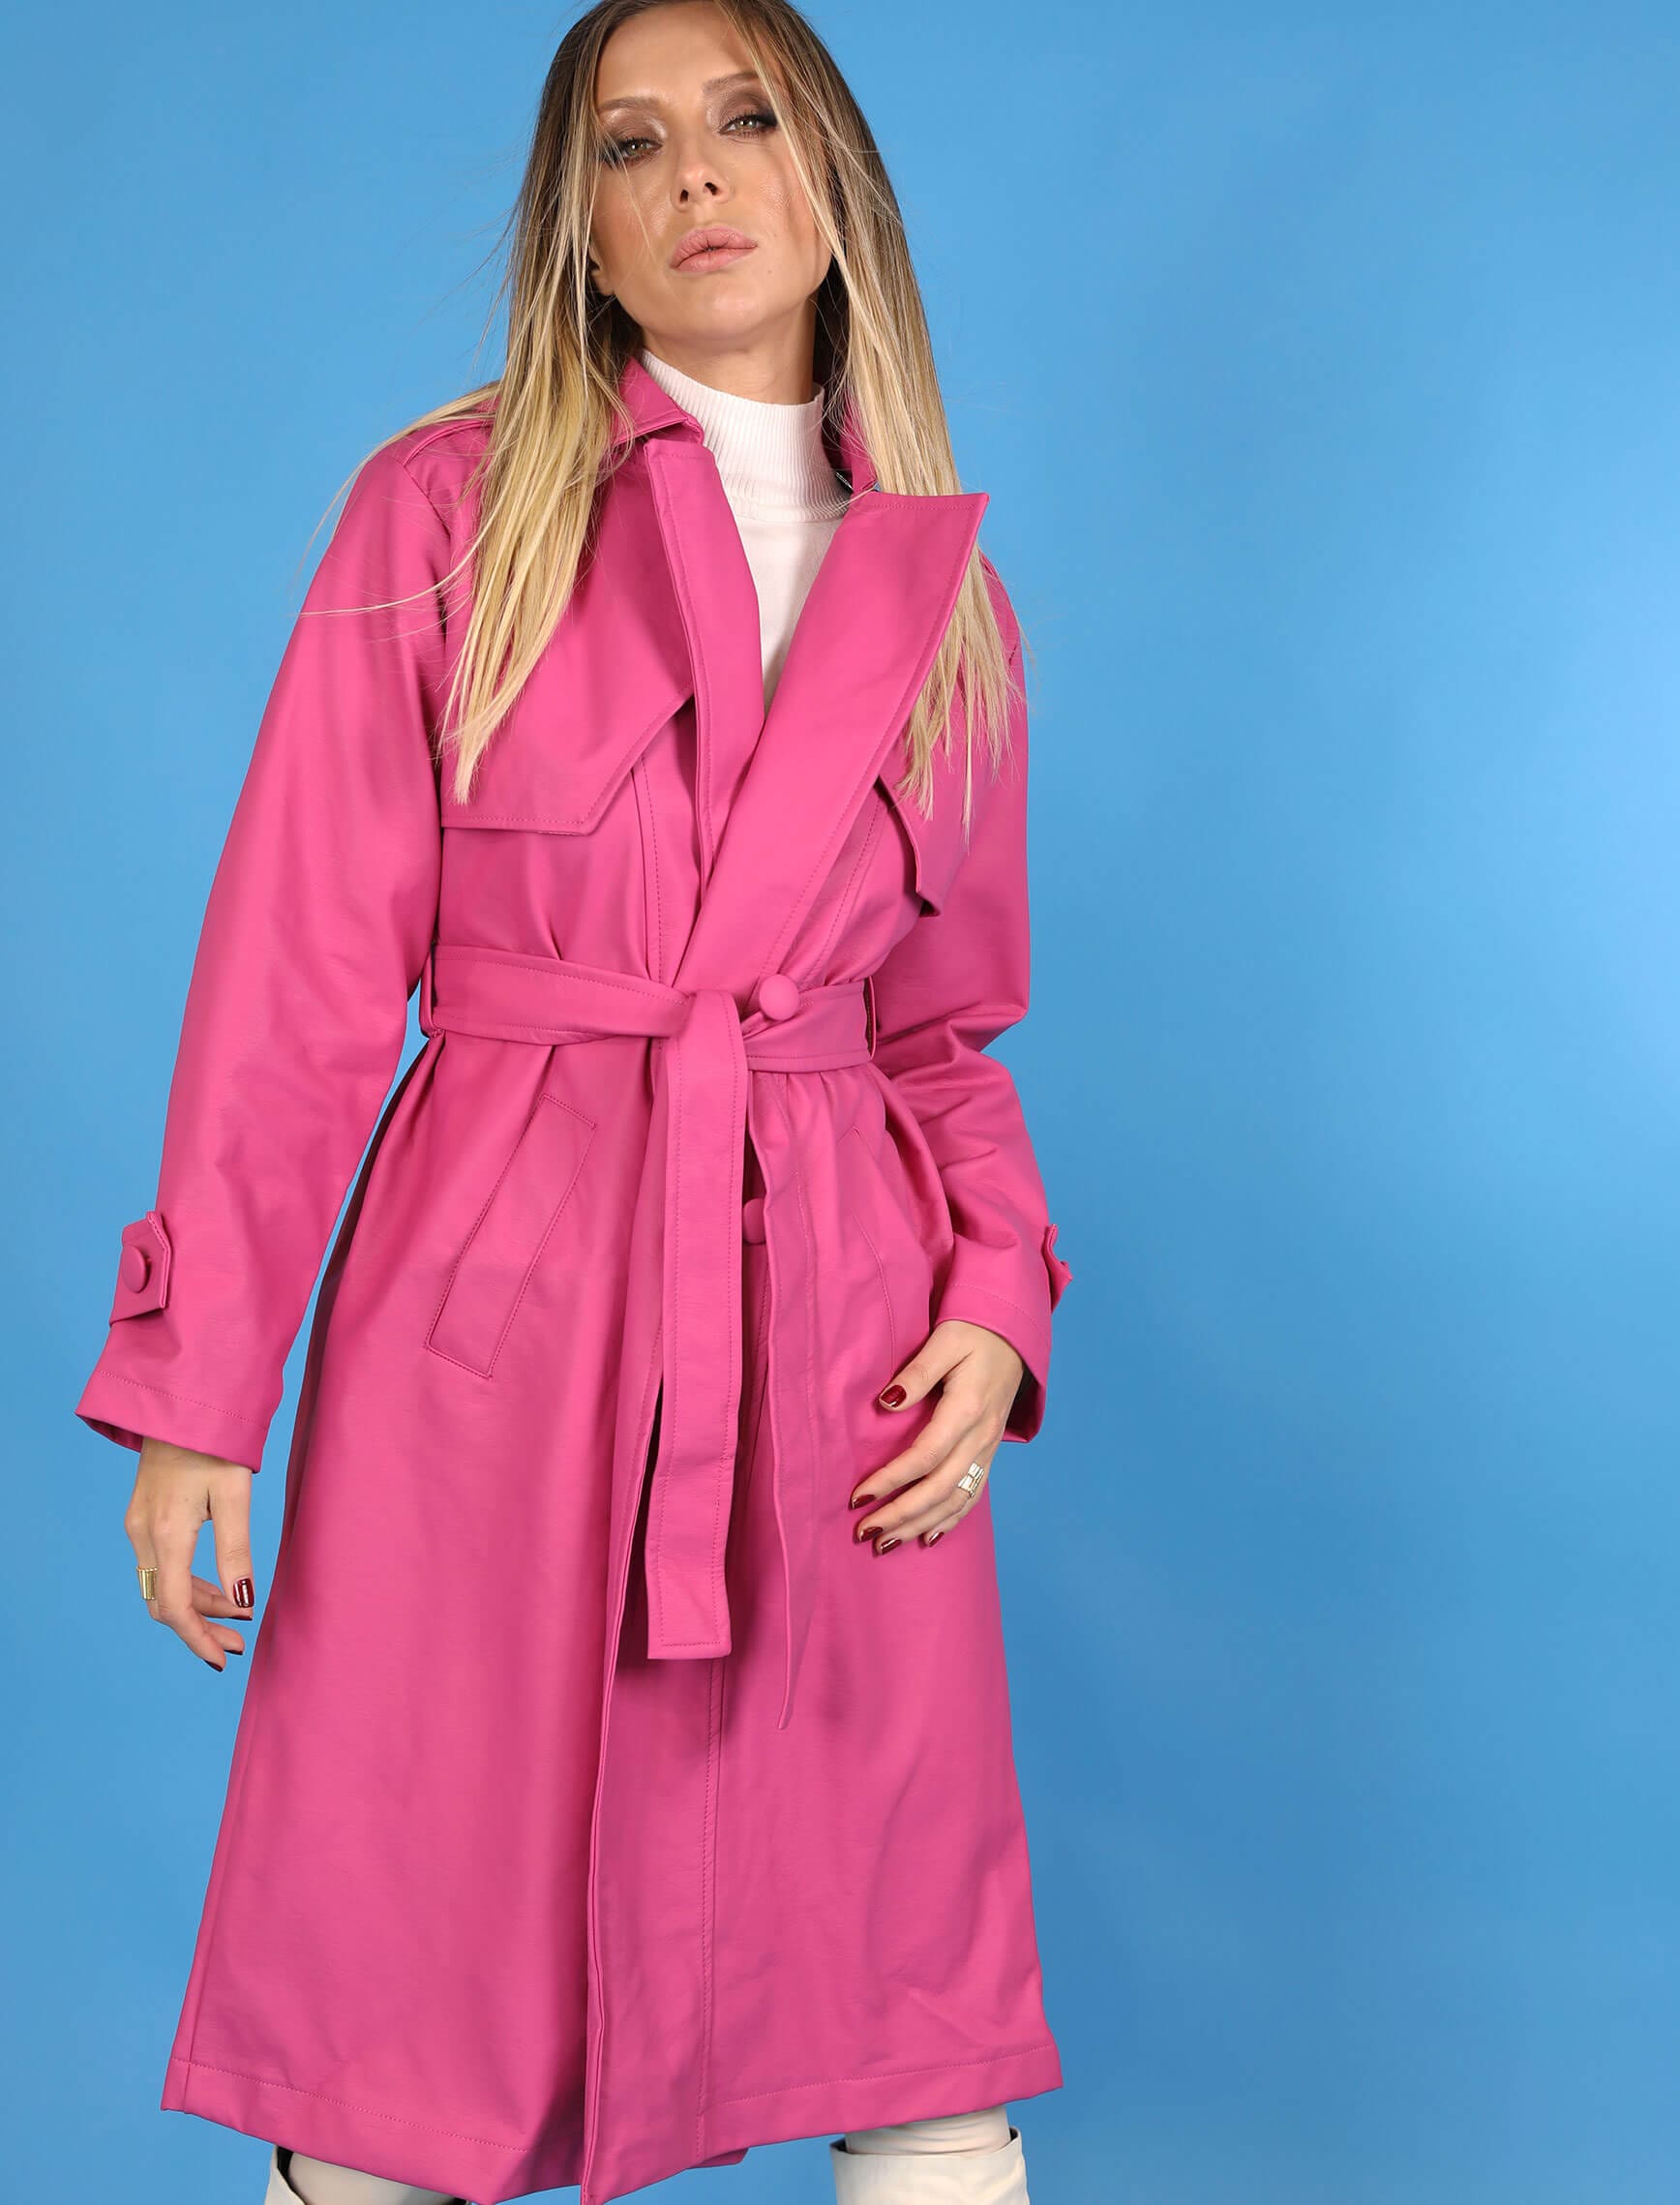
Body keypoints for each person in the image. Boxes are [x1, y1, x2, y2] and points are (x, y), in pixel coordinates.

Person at [76, 3, 1074, 2201]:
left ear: (833, 187)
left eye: (746, 120)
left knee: (912, 2002)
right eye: (631, 146)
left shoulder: (949, 600)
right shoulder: (452, 513)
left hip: (838, 1335)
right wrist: (197, 1387)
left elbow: (944, 1033)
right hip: (491, 1331)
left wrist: (997, 1300)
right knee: (399, 2005)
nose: (695, 174)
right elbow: (295, 978)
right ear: (583, 232)